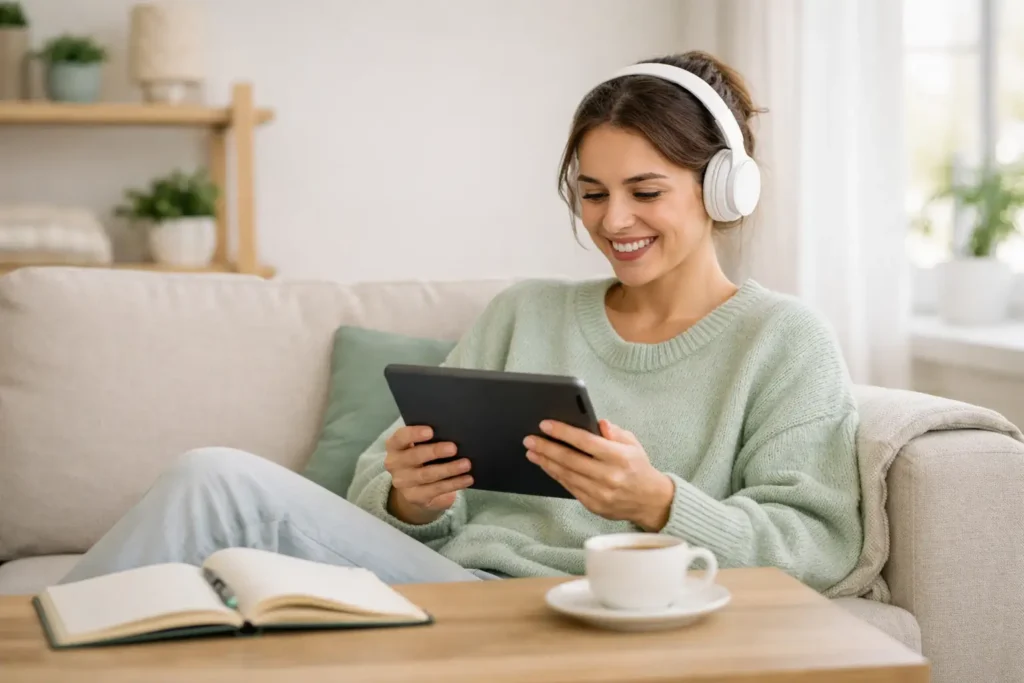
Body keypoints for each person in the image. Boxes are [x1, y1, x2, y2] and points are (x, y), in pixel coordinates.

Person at [61, 50, 863, 594]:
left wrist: (657, 502)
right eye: (591, 193)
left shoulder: (782, 340)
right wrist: (412, 497)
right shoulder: (526, 311)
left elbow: (820, 548)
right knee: (210, 476)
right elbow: (377, 481)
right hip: (447, 589)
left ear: (724, 189)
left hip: (603, 609)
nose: (613, 219)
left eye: (645, 191)